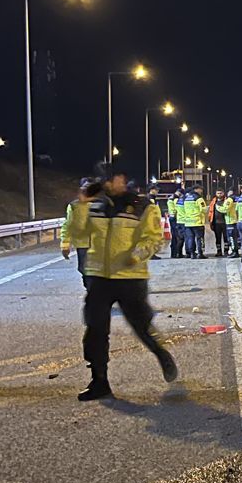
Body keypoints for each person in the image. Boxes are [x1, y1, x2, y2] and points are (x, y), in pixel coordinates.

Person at [64, 164, 177, 401]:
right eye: (104, 180)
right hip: (98, 277)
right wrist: (82, 205)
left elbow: (153, 239)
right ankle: (99, 381)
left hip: (130, 278)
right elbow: (78, 234)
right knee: (95, 330)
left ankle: (161, 353)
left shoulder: (143, 206)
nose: (107, 184)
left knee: (141, 327)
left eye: (111, 179)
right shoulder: (95, 206)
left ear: (122, 179)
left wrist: (136, 255)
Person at [60, 177, 96, 287]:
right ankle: (91, 287)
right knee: (83, 268)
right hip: (82, 243)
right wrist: (65, 244)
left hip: (99, 243)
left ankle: (95, 292)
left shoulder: (100, 204)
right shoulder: (74, 206)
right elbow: (68, 225)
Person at [180, 184, 207, 258]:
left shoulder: (186, 198)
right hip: (197, 221)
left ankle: (192, 253)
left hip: (188, 222)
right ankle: (200, 253)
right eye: (200, 189)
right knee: (199, 238)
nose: (201, 191)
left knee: (190, 238)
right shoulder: (198, 198)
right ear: (196, 189)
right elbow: (203, 209)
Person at [209, 189, 230, 256]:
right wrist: (210, 221)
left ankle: (226, 251)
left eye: (220, 193)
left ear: (223, 193)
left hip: (225, 222)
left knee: (226, 238)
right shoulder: (213, 201)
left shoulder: (227, 201)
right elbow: (211, 211)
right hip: (216, 223)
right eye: (218, 193)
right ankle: (219, 251)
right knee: (217, 238)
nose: (219, 194)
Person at [167, 189, 184, 258]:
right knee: (177, 237)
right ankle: (176, 253)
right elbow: (174, 210)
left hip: (172, 219)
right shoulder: (174, 199)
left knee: (175, 237)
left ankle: (175, 253)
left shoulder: (171, 198)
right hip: (174, 219)